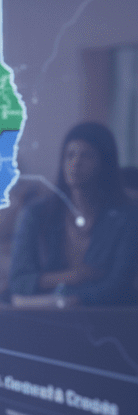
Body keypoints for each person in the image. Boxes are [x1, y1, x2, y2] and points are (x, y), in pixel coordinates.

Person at [9, 121, 138, 306]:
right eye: (70, 155)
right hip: (42, 317)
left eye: (87, 156)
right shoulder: (35, 214)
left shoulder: (126, 217)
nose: (76, 162)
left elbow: (118, 286)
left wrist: (70, 300)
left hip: (104, 317)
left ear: (104, 163)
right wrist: (78, 275)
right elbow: (19, 282)